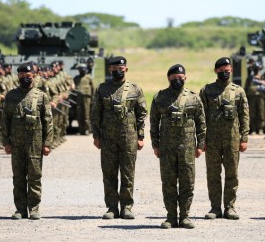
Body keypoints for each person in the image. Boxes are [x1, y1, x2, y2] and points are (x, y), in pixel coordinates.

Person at [150, 64, 206, 229]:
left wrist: (200, 144)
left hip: (188, 147)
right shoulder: (160, 97)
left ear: (185, 78)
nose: (177, 81)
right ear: (168, 79)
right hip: (167, 147)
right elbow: (154, 123)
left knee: (187, 182)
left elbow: (201, 123)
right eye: (174, 78)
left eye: (180, 78)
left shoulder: (193, 98)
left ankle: (185, 216)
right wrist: (155, 144)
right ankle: (171, 217)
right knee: (168, 182)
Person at [91, 56, 147, 220]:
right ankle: (112, 207)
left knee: (128, 173)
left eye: (121, 69)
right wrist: (96, 135)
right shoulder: (102, 89)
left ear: (126, 69)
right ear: (110, 70)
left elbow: (142, 113)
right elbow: (96, 114)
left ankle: (127, 207)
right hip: (108, 138)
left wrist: (141, 135)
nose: (118, 71)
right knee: (109, 174)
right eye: (114, 69)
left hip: (128, 137)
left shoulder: (135, 90)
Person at [199, 57, 249, 220]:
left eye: (227, 71)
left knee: (232, 174)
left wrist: (244, 138)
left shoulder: (238, 91)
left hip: (232, 139)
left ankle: (230, 207)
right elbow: (201, 117)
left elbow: (244, 115)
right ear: (216, 71)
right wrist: (201, 139)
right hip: (212, 140)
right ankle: (215, 207)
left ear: (231, 71)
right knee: (213, 174)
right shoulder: (206, 90)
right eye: (221, 71)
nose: (224, 73)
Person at [2, 62, 53, 220]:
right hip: (16, 144)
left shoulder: (41, 96)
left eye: (28, 76)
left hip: (35, 143)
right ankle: (20, 209)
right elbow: (5, 120)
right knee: (18, 177)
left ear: (34, 76)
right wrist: (6, 142)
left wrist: (47, 143)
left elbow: (48, 121)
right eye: (22, 75)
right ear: (18, 76)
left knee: (34, 177)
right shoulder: (11, 96)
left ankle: (34, 208)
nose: (25, 78)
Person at [73, 63, 94, 135]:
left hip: (87, 98)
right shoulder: (76, 78)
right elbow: (73, 88)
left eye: (82, 69)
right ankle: (81, 130)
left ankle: (87, 129)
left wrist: (93, 99)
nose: (81, 71)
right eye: (79, 69)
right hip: (78, 97)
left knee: (86, 114)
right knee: (79, 113)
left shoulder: (89, 77)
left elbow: (93, 88)